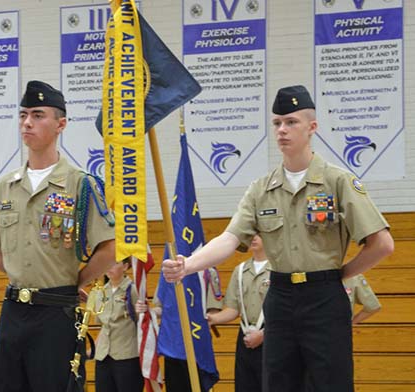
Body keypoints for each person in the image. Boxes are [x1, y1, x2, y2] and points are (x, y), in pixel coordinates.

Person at [162, 85, 394, 392]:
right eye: (277, 123)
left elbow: (383, 244)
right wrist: (188, 264)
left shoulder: (337, 181)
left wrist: (341, 274)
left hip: (324, 299)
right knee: (277, 383)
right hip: (281, 298)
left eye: (291, 122)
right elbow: (230, 238)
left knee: (330, 383)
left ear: (312, 128)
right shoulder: (261, 189)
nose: (282, 129)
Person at [0, 80, 116, 392]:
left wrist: (74, 281)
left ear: (60, 124)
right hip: (13, 310)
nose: (27, 122)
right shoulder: (4, 188)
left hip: (57, 313)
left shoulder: (80, 185)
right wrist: (21, 270)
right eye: (23, 114)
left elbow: (109, 248)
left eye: (38, 115)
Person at [207, 234, 270, 392]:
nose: (254, 238)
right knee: (244, 385)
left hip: (272, 337)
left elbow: (287, 312)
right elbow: (233, 309)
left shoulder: (279, 269)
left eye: (259, 234)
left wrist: (263, 335)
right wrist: (210, 319)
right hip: (246, 336)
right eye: (251, 234)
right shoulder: (240, 270)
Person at [153, 267, 222, 392]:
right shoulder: (169, 272)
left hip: (197, 345)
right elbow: (161, 309)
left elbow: (213, 309)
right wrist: (148, 312)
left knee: (199, 386)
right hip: (173, 344)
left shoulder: (207, 271)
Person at [94, 258, 144, 392]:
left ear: (125, 266)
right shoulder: (101, 292)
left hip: (126, 355)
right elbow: (104, 326)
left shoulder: (133, 290)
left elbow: (142, 321)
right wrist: (93, 348)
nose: (109, 266)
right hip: (103, 356)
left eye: (115, 263)